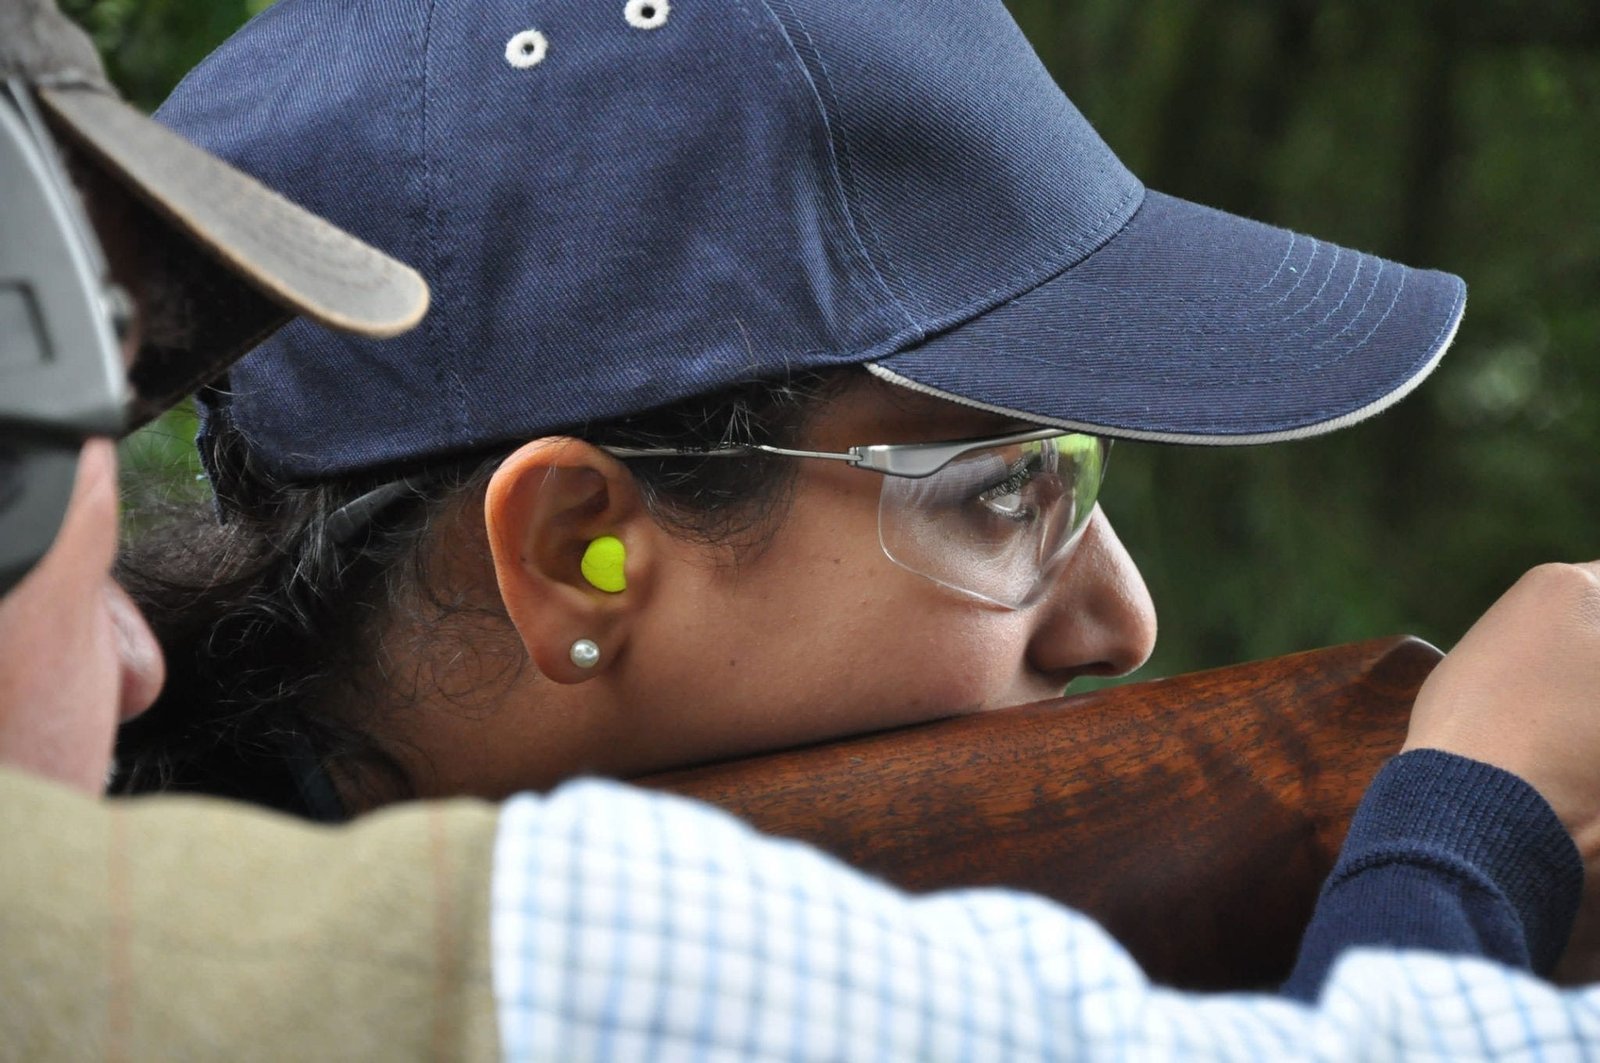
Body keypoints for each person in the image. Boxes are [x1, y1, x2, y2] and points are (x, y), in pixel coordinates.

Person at [6, 1, 1600, 1058]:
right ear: (582, 551)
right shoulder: (609, 977)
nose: (1124, 622)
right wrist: (1476, 824)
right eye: (999, 494)